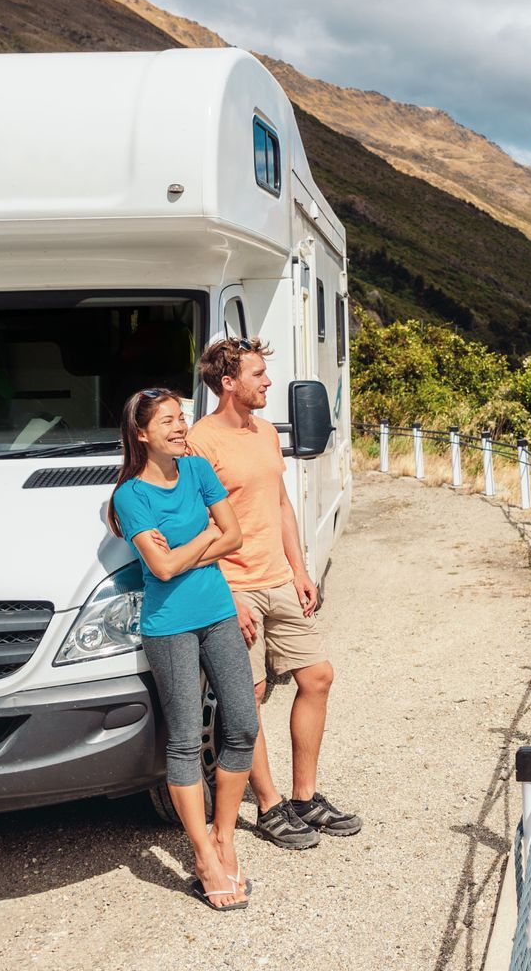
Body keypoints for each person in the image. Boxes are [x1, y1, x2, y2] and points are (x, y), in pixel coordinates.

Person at [188, 337, 362, 849]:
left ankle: (305, 797)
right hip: (235, 587)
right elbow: (194, 525)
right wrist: (226, 592)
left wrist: (300, 569)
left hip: (278, 580)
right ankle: (268, 806)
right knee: (252, 696)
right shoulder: (200, 442)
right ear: (228, 383)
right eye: (259, 374)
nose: (268, 383)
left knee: (318, 676)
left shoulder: (263, 431)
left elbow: (281, 504)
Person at [108, 387, 258, 911]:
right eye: (168, 421)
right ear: (141, 433)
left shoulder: (197, 471)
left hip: (217, 612)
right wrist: (203, 541)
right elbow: (163, 570)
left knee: (242, 723)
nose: (179, 427)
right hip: (169, 625)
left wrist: (185, 550)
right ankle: (203, 855)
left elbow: (234, 535)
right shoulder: (130, 496)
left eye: (181, 418)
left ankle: (225, 836)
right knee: (185, 737)